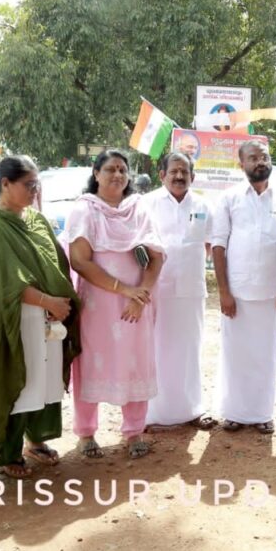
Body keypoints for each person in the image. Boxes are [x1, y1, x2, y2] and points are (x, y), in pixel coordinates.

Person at [0, 156, 80, 478]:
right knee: (19, 380)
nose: (35, 190)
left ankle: (36, 439)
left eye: (36, 184)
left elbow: (56, 263)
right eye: (29, 185)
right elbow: (3, 283)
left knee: (44, 381)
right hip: (15, 321)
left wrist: (59, 304)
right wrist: (48, 301)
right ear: (5, 183)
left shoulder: (35, 219)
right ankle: (9, 452)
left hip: (49, 317)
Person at [64, 150, 165, 459]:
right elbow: (80, 261)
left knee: (136, 360)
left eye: (123, 169)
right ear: (96, 173)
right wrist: (124, 289)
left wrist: (140, 295)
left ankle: (134, 431)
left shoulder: (139, 208)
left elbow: (156, 256)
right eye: (110, 169)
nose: (118, 175)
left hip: (137, 304)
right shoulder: (85, 210)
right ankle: (86, 433)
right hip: (98, 305)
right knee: (91, 363)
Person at [212, 140, 276, 434]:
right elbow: (218, 246)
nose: (260, 162)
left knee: (266, 354)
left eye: (264, 157)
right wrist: (224, 292)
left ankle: (262, 413)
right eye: (253, 158)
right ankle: (235, 413)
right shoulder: (229, 198)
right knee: (236, 354)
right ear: (241, 164)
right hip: (237, 292)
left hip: (271, 293)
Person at [139, 152, 216, 430]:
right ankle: (153, 414)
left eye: (185, 172)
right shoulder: (147, 204)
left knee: (190, 349)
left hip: (191, 289)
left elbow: (210, 244)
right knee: (157, 349)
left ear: (193, 176)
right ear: (162, 175)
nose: (179, 176)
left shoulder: (203, 205)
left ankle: (191, 409)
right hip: (157, 289)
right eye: (173, 171)